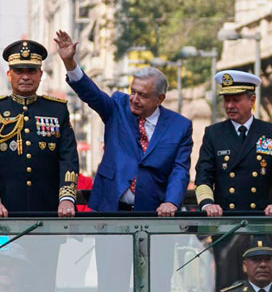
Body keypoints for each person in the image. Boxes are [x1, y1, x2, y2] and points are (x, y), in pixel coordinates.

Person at [55, 30, 192, 215]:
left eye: (142, 95)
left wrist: (171, 202)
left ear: (160, 98)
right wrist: (70, 63)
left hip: (153, 214)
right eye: (133, 91)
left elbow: (179, 170)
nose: (134, 99)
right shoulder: (118, 106)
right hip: (109, 209)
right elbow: (92, 94)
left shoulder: (179, 126)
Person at [0, 40, 78, 217]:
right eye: (19, 71)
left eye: (31, 71)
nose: (26, 77)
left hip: (49, 213)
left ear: (41, 74)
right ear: (9, 74)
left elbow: (68, 158)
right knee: (4, 246)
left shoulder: (57, 110)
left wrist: (67, 198)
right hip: (3, 214)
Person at [194, 70, 272, 215]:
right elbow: (204, 175)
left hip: (261, 218)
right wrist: (208, 204)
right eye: (226, 100)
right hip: (226, 218)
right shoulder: (214, 134)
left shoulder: (270, 132)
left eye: (236, 100)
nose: (229, 105)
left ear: (252, 100)